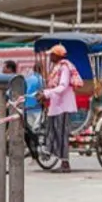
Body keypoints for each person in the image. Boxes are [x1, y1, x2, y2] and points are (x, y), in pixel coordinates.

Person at [42, 44, 79, 174]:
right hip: (56, 105)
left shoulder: (64, 68)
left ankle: (65, 163)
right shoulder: (57, 68)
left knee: (62, 134)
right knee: (55, 132)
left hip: (63, 106)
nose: (50, 57)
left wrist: (47, 93)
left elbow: (63, 86)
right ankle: (56, 157)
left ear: (57, 56)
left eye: (52, 54)